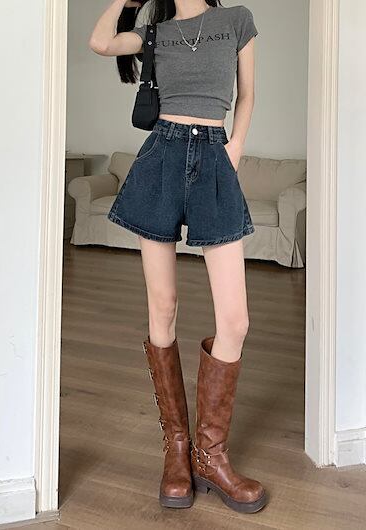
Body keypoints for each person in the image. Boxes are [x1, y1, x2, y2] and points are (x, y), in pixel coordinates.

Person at [89, 0, 267, 514]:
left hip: (214, 153)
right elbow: (101, 42)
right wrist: (126, 2)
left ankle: (210, 456)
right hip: (161, 156)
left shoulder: (236, 20)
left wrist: (236, 146)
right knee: (162, 307)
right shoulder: (155, 31)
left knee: (235, 320)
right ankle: (178, 448)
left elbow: (248, 93)